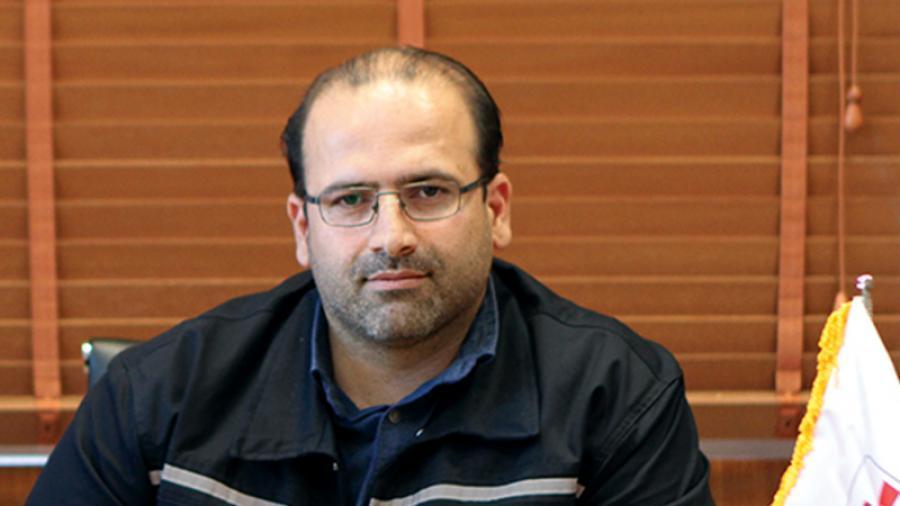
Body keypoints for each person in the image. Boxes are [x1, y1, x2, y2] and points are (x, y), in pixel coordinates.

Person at [28, 46, 712, 505]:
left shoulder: (618, 398)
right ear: (303, 227)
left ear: (496, 209)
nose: (392, 236)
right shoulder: (153, 398)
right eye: (351, 199)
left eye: (429, 192)